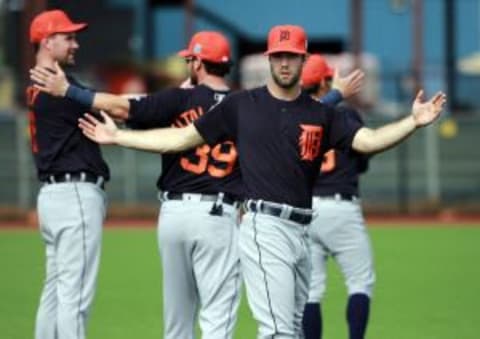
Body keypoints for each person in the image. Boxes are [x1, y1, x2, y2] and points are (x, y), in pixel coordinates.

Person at [32, 24, 446, 339]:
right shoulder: (239, 105)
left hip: (300, 227)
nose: (284, 62)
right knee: (276, 331)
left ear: (303, 61)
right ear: (269, 59)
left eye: (292, 56)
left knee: (289, 329)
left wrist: (413, 121)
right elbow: (180, 137)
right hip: (261, 226)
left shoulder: (321, 112)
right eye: (278, 55)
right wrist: (119, 136)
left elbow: (369, 141)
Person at [32, 30, 242, 339]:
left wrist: (68, 91)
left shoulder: (177, 99)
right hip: (218, 214)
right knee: (216, 321)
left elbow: (122, 107)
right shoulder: (246, 105)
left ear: (197, 63)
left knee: (177, 322)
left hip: (174, 215)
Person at [27, 9, 109, 339]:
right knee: (74, 296)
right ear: (47, 42)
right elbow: (115, 109)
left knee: (56, 291)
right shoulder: (57, 89)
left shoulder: (36, 85)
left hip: (52, 196)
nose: (75, 44)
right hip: (74, 193)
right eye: (68, 37)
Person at [300, 54, 374, 339]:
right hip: (340, 207)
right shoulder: (345, 115)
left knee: (311, 290)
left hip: (306, 209)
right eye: (328, 78)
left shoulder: (295, 118)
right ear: (322, 82)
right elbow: (362, 161)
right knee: (360, 283)